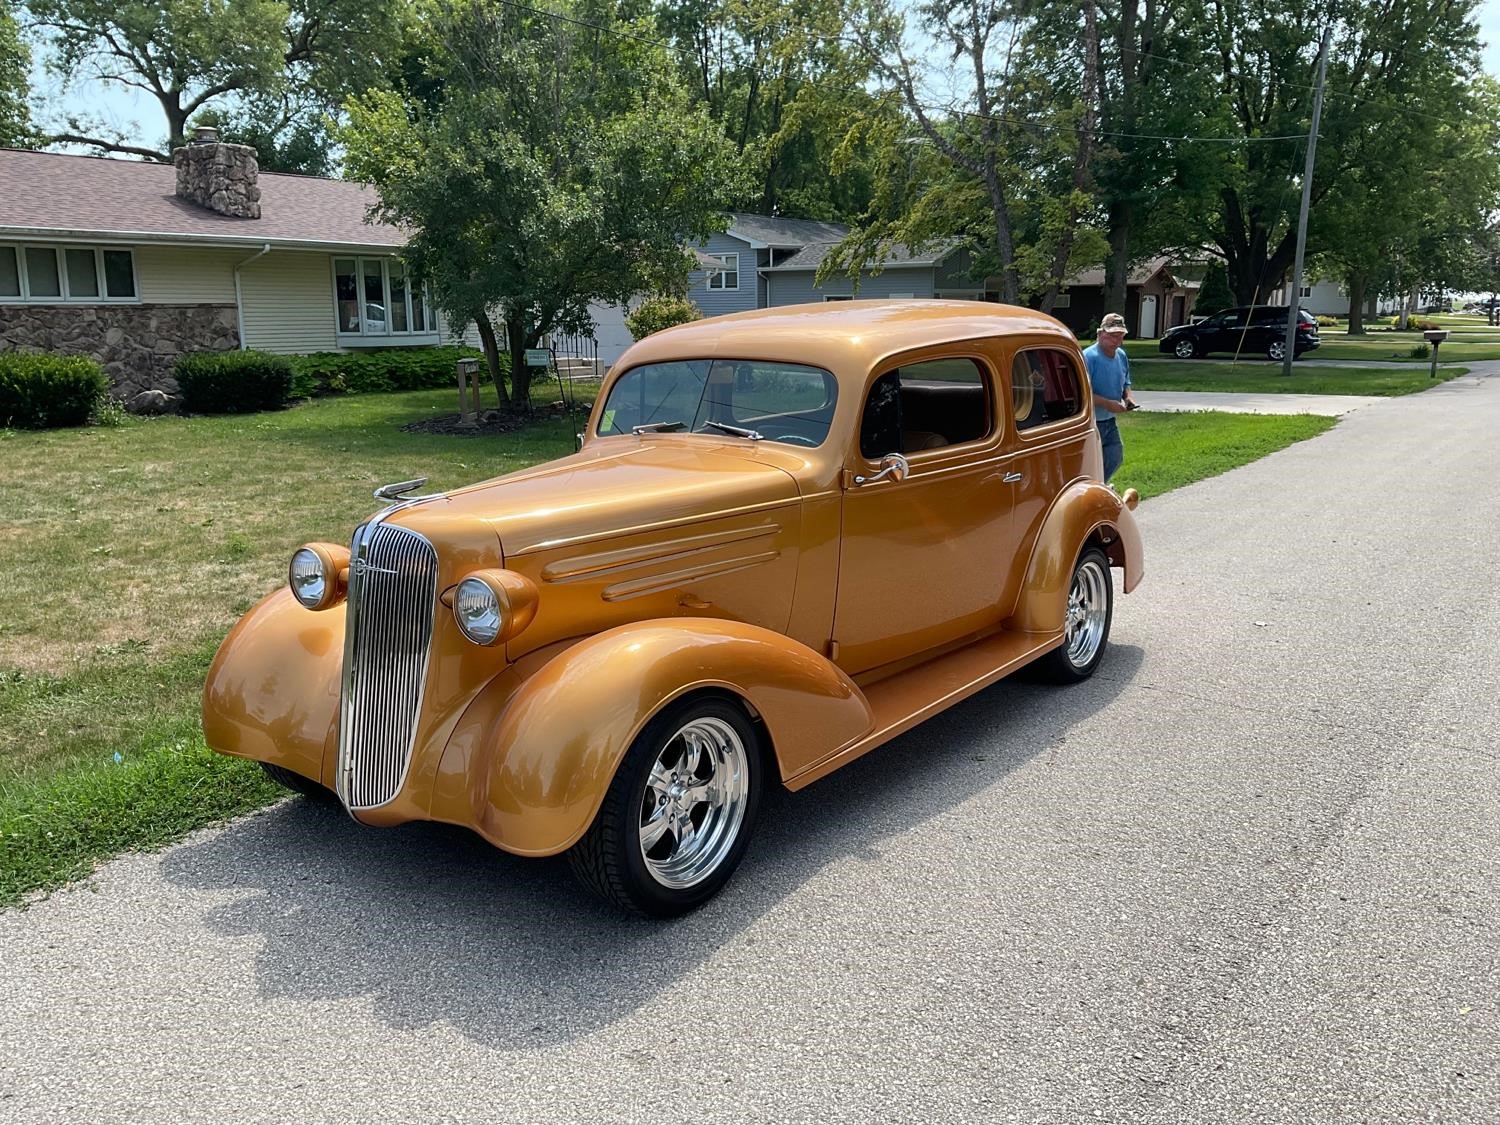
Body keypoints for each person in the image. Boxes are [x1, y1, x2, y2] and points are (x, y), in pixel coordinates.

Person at [1083, 312, 1137, 482]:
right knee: (1090, 462)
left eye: (1120, 336)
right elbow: (1083, 393)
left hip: (1110, 421)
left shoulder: (1121, 355)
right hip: (1091, 422)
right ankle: (1095, 488)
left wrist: (1128, 398)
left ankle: (1099, 486)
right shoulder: (1089, 357)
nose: (1117, 341)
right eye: (1113, 335)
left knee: (1115, 456)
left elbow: (1126, 382)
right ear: (1100, 334)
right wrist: (1107, 404)